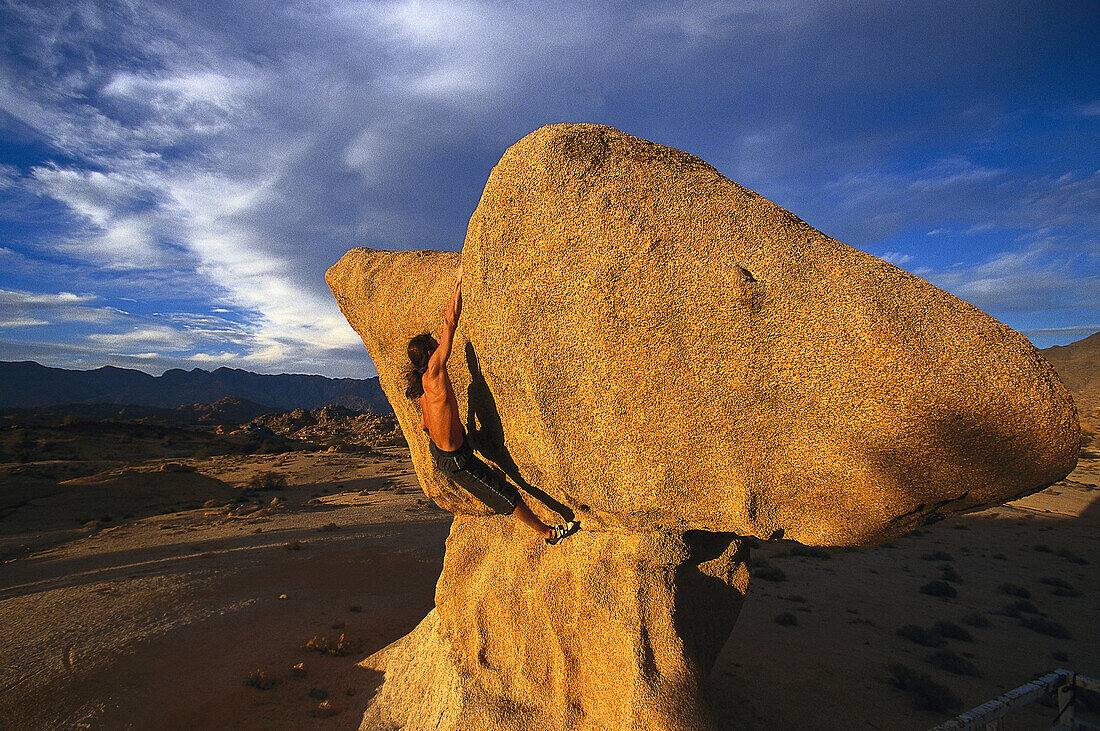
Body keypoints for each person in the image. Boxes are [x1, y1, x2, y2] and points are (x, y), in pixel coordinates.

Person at [405, 264, 580, 545]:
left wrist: (457, 433)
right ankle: (548, 534)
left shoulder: (423, 384)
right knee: (507, 494)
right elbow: (450, 323)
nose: (440, 345)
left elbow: (425, 424)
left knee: (495, 471)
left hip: (443, 453)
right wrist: (458, 283)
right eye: (435, 344)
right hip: (457, 461)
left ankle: (466, 442)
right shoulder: (435, 370)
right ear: (430, 353)